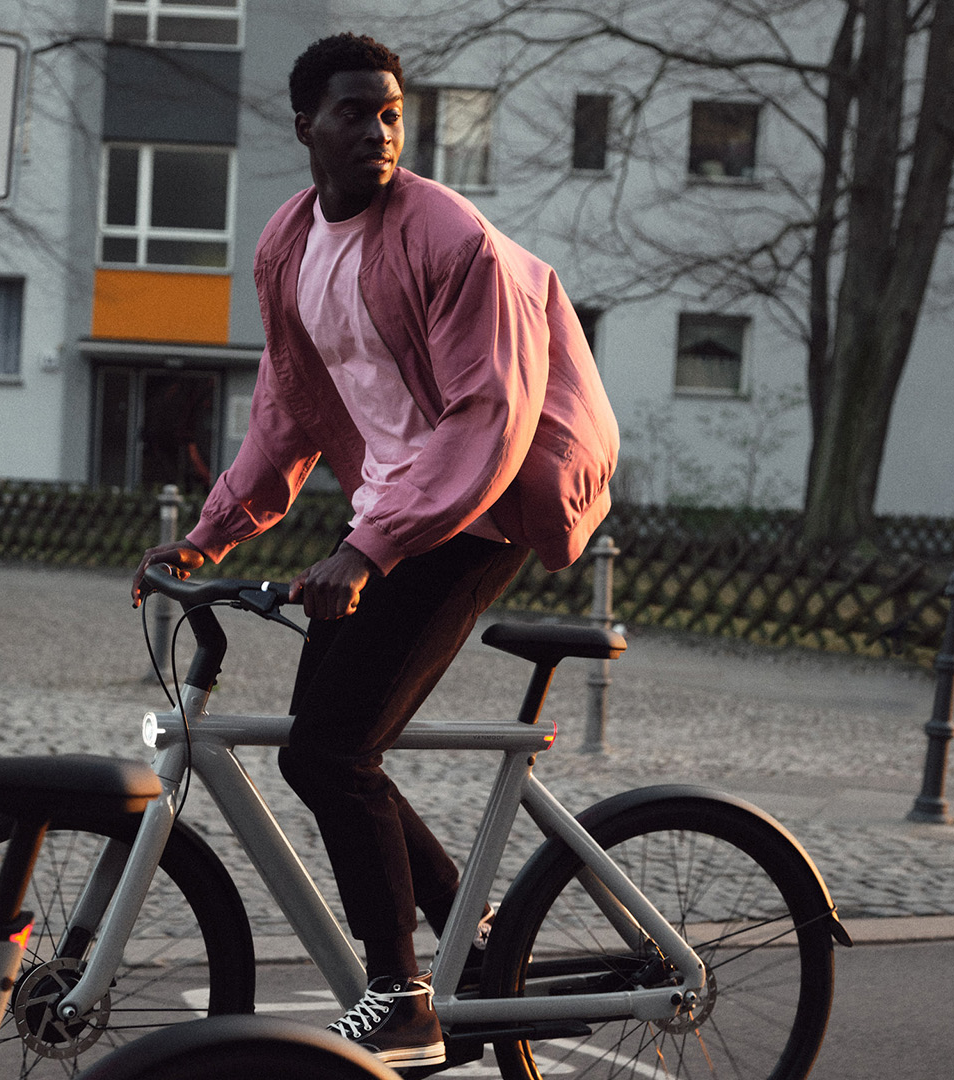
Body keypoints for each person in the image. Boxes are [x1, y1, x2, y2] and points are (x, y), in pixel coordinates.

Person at [133, 33, 619, 1067]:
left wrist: (369, 549)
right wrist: (211, 534)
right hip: (396, 516)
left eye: (393, 113)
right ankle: (479, 957)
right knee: (329, 748)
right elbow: (289, 411)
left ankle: (401, 994)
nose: (380, 131)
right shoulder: (288, 244)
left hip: (479, 511)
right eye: (355, 113)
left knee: (330, 749)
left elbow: (487, 416)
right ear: (306, 125)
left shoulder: (451, 237)